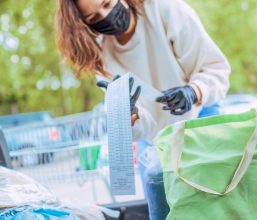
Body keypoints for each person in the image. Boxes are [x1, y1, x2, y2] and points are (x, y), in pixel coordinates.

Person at [55, 0, 231, 219]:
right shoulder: (102, 57)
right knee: (159, 201)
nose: (106, 15)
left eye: (108, 3)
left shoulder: (165, 10)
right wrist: (129, 116)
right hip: (157, 139)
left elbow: (216, 70)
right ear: (84, 24)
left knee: (215, 203)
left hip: (201, 116)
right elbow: (144, 128)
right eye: (93, 18)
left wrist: (194, 91)